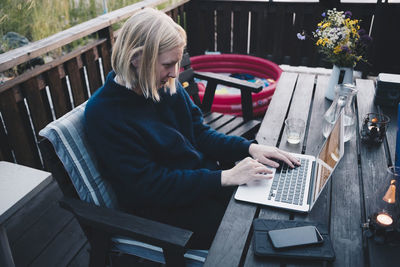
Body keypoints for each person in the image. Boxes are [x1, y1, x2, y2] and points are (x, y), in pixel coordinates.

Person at [84, 7, 299, 249]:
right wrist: (224, 177)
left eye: (177, 62)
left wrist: (249, 149)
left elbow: (200, 134)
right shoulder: (105, 114)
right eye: (168, 64)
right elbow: (149, 187)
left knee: (273, 203)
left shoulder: (161, 85)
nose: (175, 73)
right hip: (166, 214)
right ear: (137, 58)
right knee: (254, 234)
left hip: (200, 185)